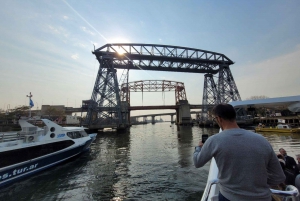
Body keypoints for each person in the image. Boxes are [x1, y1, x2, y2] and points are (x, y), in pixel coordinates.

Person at [193, 104, 285, 201]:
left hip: (229, 197)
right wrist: (257, 185)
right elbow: (279, 177)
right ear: (234, 116)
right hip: (263, 198)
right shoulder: (262, 140)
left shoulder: (214, 140)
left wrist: (198, 148)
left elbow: (197, 162)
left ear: (219, 119)